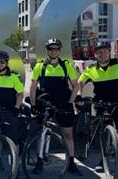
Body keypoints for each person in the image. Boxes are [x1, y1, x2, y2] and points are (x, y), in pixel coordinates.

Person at [78, 42, 118, 178]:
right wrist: (79, 95)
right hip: (101, 104)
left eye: (105, 51)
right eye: (99, 52)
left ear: (109, 52)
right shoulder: (91, 69)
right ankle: (102, 160)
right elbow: (80, 81)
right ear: (95, 54)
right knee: (103, 134)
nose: (102, 54)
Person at [29, 38, 82, 176]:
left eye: (56, 49)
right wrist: (34, 104)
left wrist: (70, 102)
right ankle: (39, 161)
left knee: (68, 134)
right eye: (51, 49)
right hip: (45, 102)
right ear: (47, 50)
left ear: (59, 50)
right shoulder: (40, 66)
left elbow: (75, 85)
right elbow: (33, 86)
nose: (53, 51)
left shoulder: (66, 66)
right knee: (42, 133)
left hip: (64, 102)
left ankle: (71, 163)